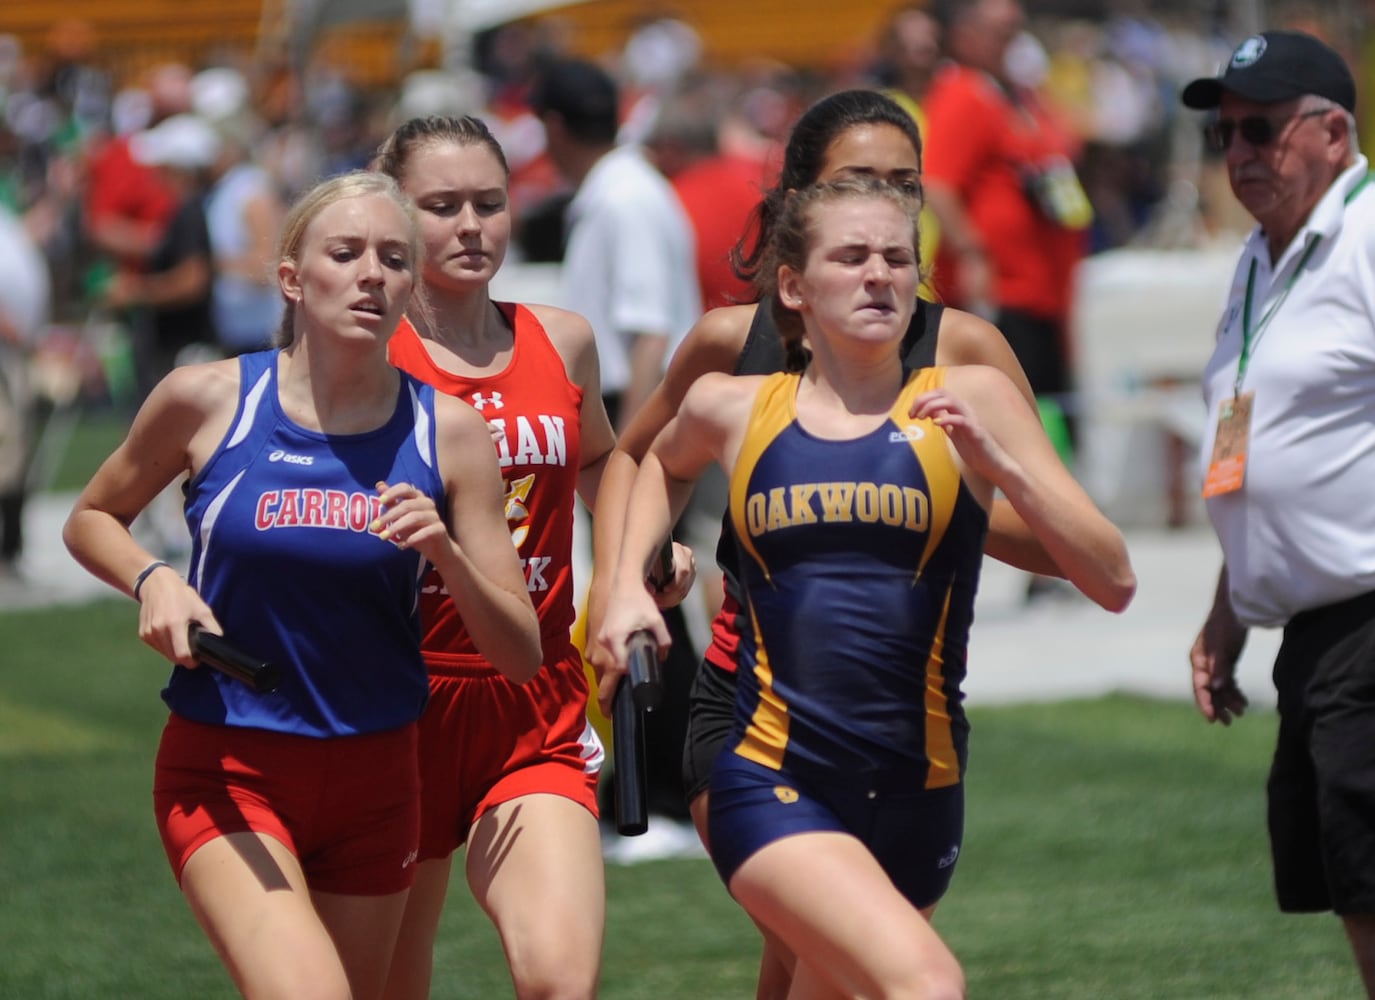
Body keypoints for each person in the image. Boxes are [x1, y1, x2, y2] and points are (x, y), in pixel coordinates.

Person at [586, 86, 1071, 999]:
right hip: (741, 707)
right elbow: (635, 462)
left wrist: (927, 509)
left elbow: (1064, 544)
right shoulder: (732, 343)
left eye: (906, 184)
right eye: (860, 180)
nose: (887, 200)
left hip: (895, 727)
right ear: (800, 206)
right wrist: (624, 577)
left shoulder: (964, 351)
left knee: (813, 967)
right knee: (852, 962)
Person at [61, 170, 542, 1000]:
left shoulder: (447, 431)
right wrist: (153, 580)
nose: (372, 276)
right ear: (291, 276)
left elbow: (523, 654)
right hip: (230, 767)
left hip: (380, 779)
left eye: (394, 258)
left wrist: (449, 559)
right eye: (346, 253)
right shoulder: (210, 399)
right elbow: (91, 517)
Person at [373, 114, 668, 1000]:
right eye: (441, 205)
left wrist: (634, 567)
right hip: (392, 704)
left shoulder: (560, 338)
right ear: (392, 216)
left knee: (558, 982)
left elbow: (601, 462)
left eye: (489, 204)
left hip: (532, 702)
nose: (470, 225)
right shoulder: (358, 355)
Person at [1181, 30, 1375, 999]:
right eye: (1225, 134)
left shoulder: (1368, 238)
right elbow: (1248, 439)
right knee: (1345, 878)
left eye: (1261, 128)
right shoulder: (1261, 257)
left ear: (1333, 132)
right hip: (1310, 632)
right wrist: (1231, 606)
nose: (1239, 153)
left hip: (1369, 618)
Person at [921, 0, 1091, 446]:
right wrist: (974, 253)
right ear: (965, 34)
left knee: (1051, 414)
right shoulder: (961, 92)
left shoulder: (1017, 94)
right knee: (1018, 423)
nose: (1014, 39)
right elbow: (936, 184)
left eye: (1018, 27)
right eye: (1002, 30)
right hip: (1003, 295)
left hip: (1045, 290)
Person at [528, 56, 700, 432]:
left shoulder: (624, 196)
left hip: (638, 407)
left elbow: (651, 335)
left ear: (554, 127)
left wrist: (628, 453)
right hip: (638, 404)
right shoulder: (623, 188)